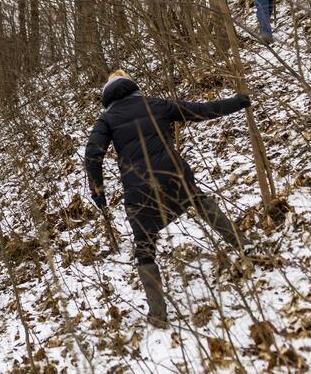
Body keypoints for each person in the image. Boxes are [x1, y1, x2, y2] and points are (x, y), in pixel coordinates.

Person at [85, 71, 253, 329]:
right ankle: (244, 247)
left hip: (139, 192)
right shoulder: (155, 104)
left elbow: (92, 155)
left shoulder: (106, 120)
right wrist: (237, 102)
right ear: (132, 87)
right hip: (173, 177)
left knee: (144, 248)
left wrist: (99, 193)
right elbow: (200, 111)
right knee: (200, 202)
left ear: (107, 96)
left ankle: (158, 315)